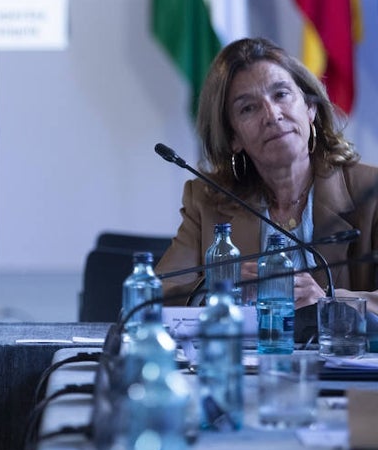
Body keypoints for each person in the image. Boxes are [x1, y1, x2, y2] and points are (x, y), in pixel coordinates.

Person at [156, 37, 378, 312]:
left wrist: (330, 300)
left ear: (310, 108)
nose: (272, 115)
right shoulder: (207, 200)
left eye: (281, 94)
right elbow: (157, 294)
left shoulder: (371, 191)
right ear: (233, 136)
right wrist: (216, 288)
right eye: (248, 108)